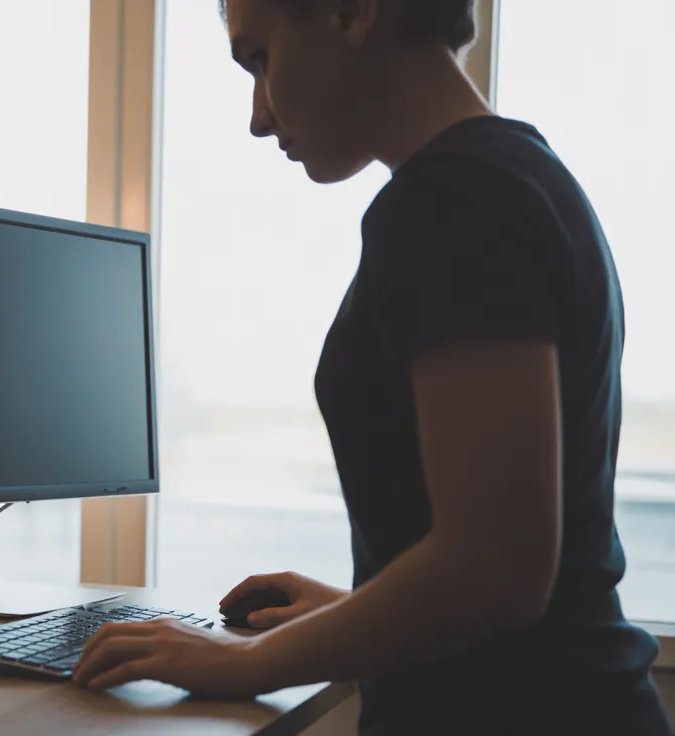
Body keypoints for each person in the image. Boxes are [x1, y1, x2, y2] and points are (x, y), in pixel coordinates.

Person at [70, 1, 674, 733]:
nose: (257, 117)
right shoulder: (518, 175)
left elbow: (495, 570)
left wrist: (241, 663)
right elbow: (514, 556)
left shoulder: (453, 200)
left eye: (260, 60)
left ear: (354, 12)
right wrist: (348, 609)